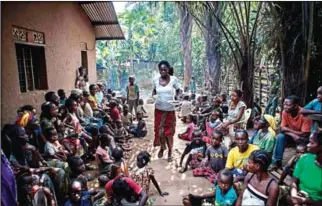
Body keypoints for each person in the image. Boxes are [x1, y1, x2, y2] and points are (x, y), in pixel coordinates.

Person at [269, 95, 312, 170]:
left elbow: (304, 133)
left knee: (302, 146)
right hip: (292, 136)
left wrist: (288, 130)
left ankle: (298, 166)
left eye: (288, 105)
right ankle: (277, 161)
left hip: (302, 138)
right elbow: (282, 129)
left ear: (295, 106)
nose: (285, 107)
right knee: (280, 136)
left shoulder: (304, 115)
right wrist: (293, 134)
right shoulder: (285, 112)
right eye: (284, 104)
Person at [152, 60, 181, 162]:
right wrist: (153, 97)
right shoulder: (155, 79)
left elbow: (178, 90)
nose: (163, 71)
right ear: (159, 70)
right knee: (160, 132)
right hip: (159, 110)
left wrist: (177, 97)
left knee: (169, 133)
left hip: (170, 110)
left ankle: (169, 151)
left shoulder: (174, 79)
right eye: (161, 69)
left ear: (168, 69)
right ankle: (162, 147)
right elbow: (154, 91)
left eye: (165, 69)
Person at [288, 132, 322, 205]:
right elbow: (293, 181)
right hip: (298, 194)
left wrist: (305, 201)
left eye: (311, 143)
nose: (307, 145)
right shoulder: (305, 158)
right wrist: (295, 197)